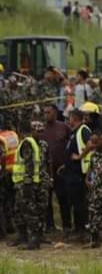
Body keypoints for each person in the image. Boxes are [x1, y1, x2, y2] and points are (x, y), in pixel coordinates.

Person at [11, 121, 49, 250]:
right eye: (38, 131)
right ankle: (24, 236)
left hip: (26, 183)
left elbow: (29, 164)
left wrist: (28, 182)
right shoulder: (30, 142)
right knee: (19, 210)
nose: (40, 134)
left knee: (30, 211)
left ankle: (34, 239)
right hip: (26, 182)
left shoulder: (28, 143)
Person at [63, 108, 94, 240]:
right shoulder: (74, 132)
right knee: (75, 203)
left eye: (69, 117)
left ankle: (84, 231)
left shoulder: (83, 129)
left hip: (81, 173)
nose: (68, 120)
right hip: (72, 172)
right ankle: (78, 229)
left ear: (74, 118)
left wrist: (80, 156)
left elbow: (91, 144)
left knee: (81, 203)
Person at [40, 104, 70, 234]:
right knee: (46, 200)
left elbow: (71, 145)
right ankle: (50, 225)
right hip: (46, 170)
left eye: (49, 112)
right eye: (44, 113)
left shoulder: (64, 127)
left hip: (61, 171)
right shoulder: (41, 129)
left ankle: (67, 226)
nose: (46, 115)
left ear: (56, 113)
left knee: (63, 199)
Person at [84, 130, 102, 249]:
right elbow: (91, 166)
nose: (94, 145)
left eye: (96, 142)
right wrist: (87, 178)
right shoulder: (94, 154)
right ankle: (94, 239)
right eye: (92, 142)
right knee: (94, 212)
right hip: (96, 187)